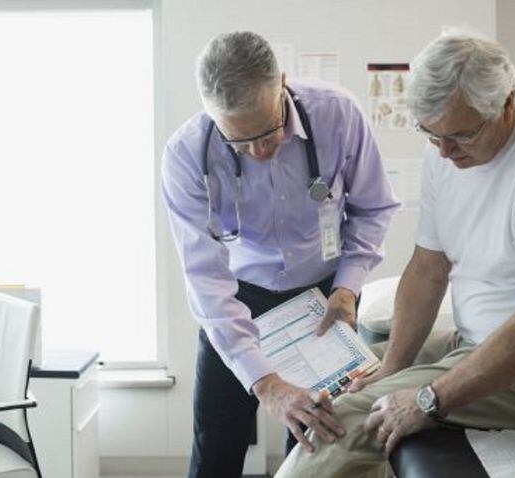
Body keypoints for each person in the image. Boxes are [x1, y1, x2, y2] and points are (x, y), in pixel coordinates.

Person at [275, 30, 515, 478]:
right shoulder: (446, 149)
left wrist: (428, 398)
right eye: (432, 136)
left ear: (508, 103)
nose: (446, 152)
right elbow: (428, 268)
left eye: (461, 136)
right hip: (487, 338)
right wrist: (392, 368)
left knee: (350, 417)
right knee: (366, 362)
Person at [161, 31, 399, 478]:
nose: (260, 152)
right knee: (216, 444)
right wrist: (266, 384)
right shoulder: (186, 155)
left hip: (328, 296)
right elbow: (205, 280)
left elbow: (373, 208)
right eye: (240, 144)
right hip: (238, 298)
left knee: (317, 440)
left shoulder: (337, 114)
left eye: (269, 131)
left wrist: (349, 286)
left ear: (283, 84)